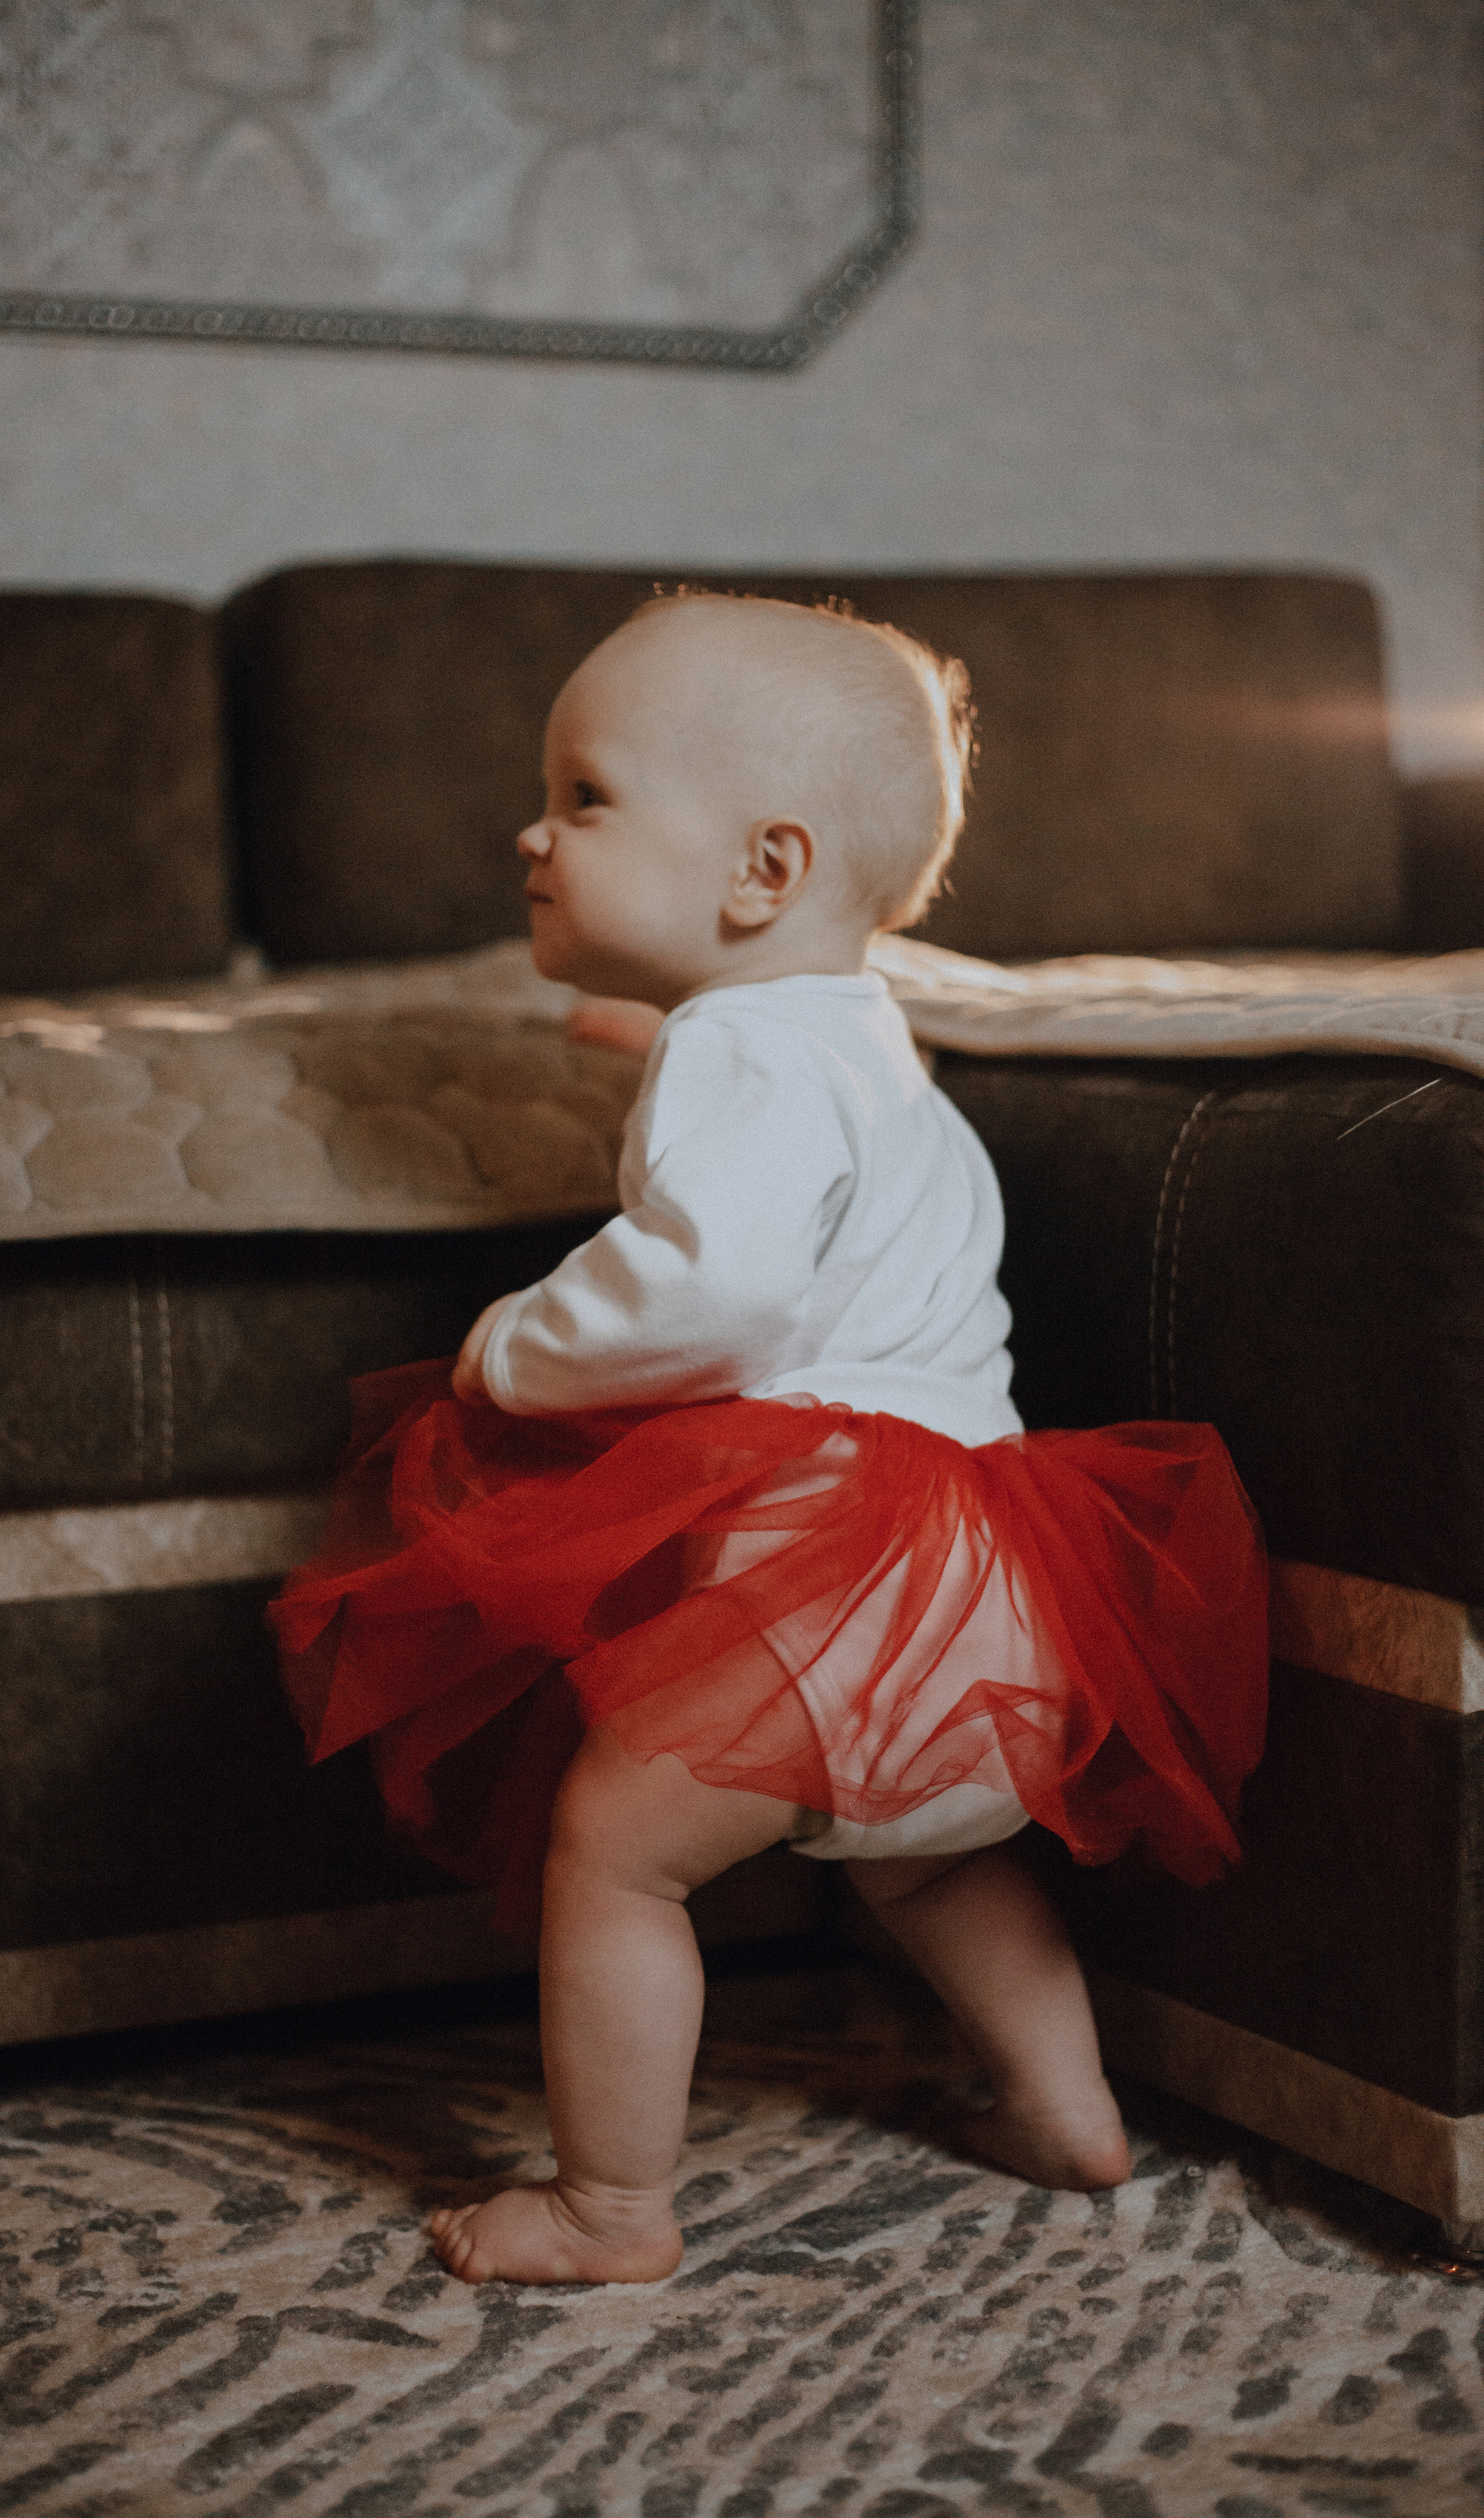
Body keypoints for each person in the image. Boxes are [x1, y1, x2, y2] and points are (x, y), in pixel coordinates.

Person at [271, 591, 1266, 2287]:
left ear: (759, 874)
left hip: (830, 1570)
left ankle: (609, 2208)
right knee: (941, 1866)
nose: (533, 827)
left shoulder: (737, 1055)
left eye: (584, 797)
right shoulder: (852, 1037)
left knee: (611, 1857)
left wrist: (518, 1350)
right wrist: (659, 1029)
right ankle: (1069, 2110)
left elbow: (713, 1287)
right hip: (995, 1584)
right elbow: (777, 1139)